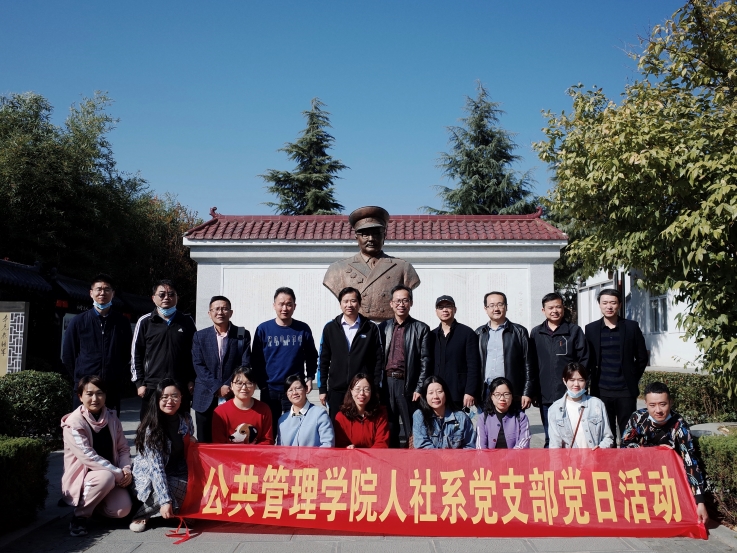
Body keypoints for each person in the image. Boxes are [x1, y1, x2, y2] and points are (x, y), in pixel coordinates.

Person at [622, 381, 709, 524]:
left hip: (667, 481)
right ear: (645, 403)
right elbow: (624, 446)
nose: (658, 410)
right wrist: (652, 451)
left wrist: (700, 502)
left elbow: (690, 462)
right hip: (639, 477)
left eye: (663, 404)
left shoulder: (679, 425)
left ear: (671, 402)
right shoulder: (637, 418)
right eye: (652, 405)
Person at [61, 376, 132, 537]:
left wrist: (126, 469)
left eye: (99, 393)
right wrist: (119, 473)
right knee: (105, 476)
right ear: (80, 397)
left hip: (112, 476)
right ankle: (79, 516)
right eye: (89, 394)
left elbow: (123, 448)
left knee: (122, 510)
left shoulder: (112, 418)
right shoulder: (73, 423)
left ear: (105, 395)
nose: (95, 399)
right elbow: (88, 456)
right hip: (84, 478)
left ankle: (94, 508)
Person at [323, 206, 421, 321]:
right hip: (358, 326)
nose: (371, 239)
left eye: (376, 234)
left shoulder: (403, 267)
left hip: (390, 326)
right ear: (356, 237)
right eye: (365, 234)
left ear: (384, 236)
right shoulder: (338, 269)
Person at [251, 287, 318, 438]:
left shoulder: (302, 329)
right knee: (269, 431)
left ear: (294, 306)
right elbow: (256, 360)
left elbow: (312, 356)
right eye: (281, 304)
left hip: (294, 389)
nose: (285, 308)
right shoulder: (263, 329)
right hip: (270, 389)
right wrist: (262, 384)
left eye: (289, 304)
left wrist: (310, 377)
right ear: (274, 305)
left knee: (295, 431)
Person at [130, 379, 195, 533]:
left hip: (176, 471)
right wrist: (165, 501)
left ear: (181, 398)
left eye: (174, 396)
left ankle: (167, 510)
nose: (169, 401)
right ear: (157, 400)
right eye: (164, 397)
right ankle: (142, 513)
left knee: (196, 486)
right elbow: (156, 469)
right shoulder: (152, 428)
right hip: (150, 478)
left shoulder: (186, 419)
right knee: (175, 487)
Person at [62, 273, 133, 414]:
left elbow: (126, 354)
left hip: (110, 388)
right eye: (98, 289)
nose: (102, 293)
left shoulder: (122, 323)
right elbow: (68, 355)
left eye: (107, 289)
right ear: (91, 293)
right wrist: (81, 377)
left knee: (110, 425)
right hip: (85, 388)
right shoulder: (78, 321)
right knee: (81, 425)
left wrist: (116, 374)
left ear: (113, 293)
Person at [585, 288, 648, 446]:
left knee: (628, 433)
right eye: (605, 303)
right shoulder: (591, 329)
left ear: (619, 304)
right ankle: (609, 461)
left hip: (625, 391)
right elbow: (588, 358)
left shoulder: (631, 327)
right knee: (606, 435)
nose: (609, 306)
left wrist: (632, 377)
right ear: (599, 305)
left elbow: (642, 357)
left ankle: (627, 460)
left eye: (613, 303)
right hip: (601, 391)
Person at [530, 292, 590, 447]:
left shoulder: (574, 331)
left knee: (573, 436)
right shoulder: (536, 332)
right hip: (545, 393)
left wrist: (579, 385)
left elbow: (584, 360)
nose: (554, 311)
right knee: (550, 436)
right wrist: (533, 390)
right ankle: (551, 462)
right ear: (543, 310)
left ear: (563, 308)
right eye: (550, 308)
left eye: (558, 307)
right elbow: (532, 363)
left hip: (570, 393)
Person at [132, 280, 197, 420]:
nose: (166, 297)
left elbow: (195, 353)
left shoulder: (186, 321)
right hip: (152, 385)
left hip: (180, 385)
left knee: (180, 427)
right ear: (153, 298)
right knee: (150, 427)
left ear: (177, 297)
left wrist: (192, 379)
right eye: (161, 294)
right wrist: (140, 383)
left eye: (171, 294)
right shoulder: (145, 321)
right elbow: (136, 354)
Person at [319, 287, 383, 424]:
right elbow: (323, 360)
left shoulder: (370, 328)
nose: (349, 305)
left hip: (361, 390)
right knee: (337, 426)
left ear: (359, 303)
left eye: (353, 301)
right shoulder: (330, 328)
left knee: (362, 425)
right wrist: (322, 388)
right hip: (337, 389)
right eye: (345, 301)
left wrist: (375, 387)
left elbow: (378, 360)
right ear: (340, 304)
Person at [191, 295, 251, 442]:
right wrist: (218, 387)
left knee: (232, 439)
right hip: (205, 395)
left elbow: (245, 364)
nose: (220, 312)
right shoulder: (200, 336)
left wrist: (229, 385)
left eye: (224, 309)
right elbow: (198, 364)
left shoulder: (242, 334)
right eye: (216, 309)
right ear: (209, 313)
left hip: (232, 394)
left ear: (231, 312)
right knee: (205, 441)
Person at [378, 285, 431, 447]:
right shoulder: (383, 328)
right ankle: (392, 459)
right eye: (397, 301)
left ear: (411, 303)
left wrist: (419, 387)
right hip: (387, 384)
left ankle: (413, 458)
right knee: (390, 426)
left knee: (411, 427)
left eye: (405, 301)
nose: (401, 304)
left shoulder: (421, 328)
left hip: (408, 384)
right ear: (391, 303)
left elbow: (425, 361)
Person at [475, 291, 536, 409]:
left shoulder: (519, 332)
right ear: (485, 309)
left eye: (500, 304)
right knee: (486, 421)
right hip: (486, 391)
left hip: (511, 390)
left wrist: (527, 392)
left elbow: (528, 363)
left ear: (506, 307)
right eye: (491, 305)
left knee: (513, 421)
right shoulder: (479, 333)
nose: (496, 309)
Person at [547, 363, 613, 449]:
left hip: (594, 457)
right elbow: (554, 446)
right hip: (569, 457)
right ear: (564, 381)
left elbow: (608, 438)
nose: (576, 384)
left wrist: (600, 448)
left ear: (586, 381)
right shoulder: (554, 409)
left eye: (581, 380)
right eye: (572, 380)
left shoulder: (597, 404)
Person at [431, 295, 480, 411]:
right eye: (440, 307)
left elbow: (474, 365)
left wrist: (470, 391)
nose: (444, 310)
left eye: (448, 306)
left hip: (458, 393)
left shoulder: (467, 333)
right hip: (436, 394)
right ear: (436, 311)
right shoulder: (431, 335)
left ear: (455, 309)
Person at [212, 366, 273, 445]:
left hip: (256, 453)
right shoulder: (220, 412)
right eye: (239, 383)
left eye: (249, 383)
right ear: (232, 385)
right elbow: (219, 444)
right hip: (228, 453)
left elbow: (267, 441)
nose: (244, 387)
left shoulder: (264, 409)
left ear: (255, 386)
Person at [412, 376, 475, 449]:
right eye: (431, 393)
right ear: (425, 396)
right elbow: (422, 445)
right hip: (429, 456)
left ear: (446, 393)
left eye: (439, 392)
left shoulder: (461, 418)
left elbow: (469, 446)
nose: (435, 396)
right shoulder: (419, 415)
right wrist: (442, 456)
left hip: (456, 457)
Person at [277, 374, 334, 447]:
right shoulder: (282, 420)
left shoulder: (320, 414)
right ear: (286, 394)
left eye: (298, 388)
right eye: (290, 390)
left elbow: (328, 444)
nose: (294, 393)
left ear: (306, 389)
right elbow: (280, 448)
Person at [334, 373, 389, 448]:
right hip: (351, 455)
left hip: (374, 455)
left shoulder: (380, 413)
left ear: (371, 391)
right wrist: (347, 448)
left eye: (366, 389)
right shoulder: (341, 417)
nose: (362, 393)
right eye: (357, 389)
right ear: (351, 391)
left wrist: (366, 455)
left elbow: (382, 443)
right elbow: (339, 444)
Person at [476, 377, 530, 449]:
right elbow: (480, 446)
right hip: (488, 456)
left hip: (515, 456)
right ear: (491, 396)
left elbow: (524, 442)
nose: (502, 399)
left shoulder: (521, 417)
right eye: (497, 394)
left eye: (506, 394)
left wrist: (510, 456)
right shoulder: (483, 418)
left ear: (512, 396)